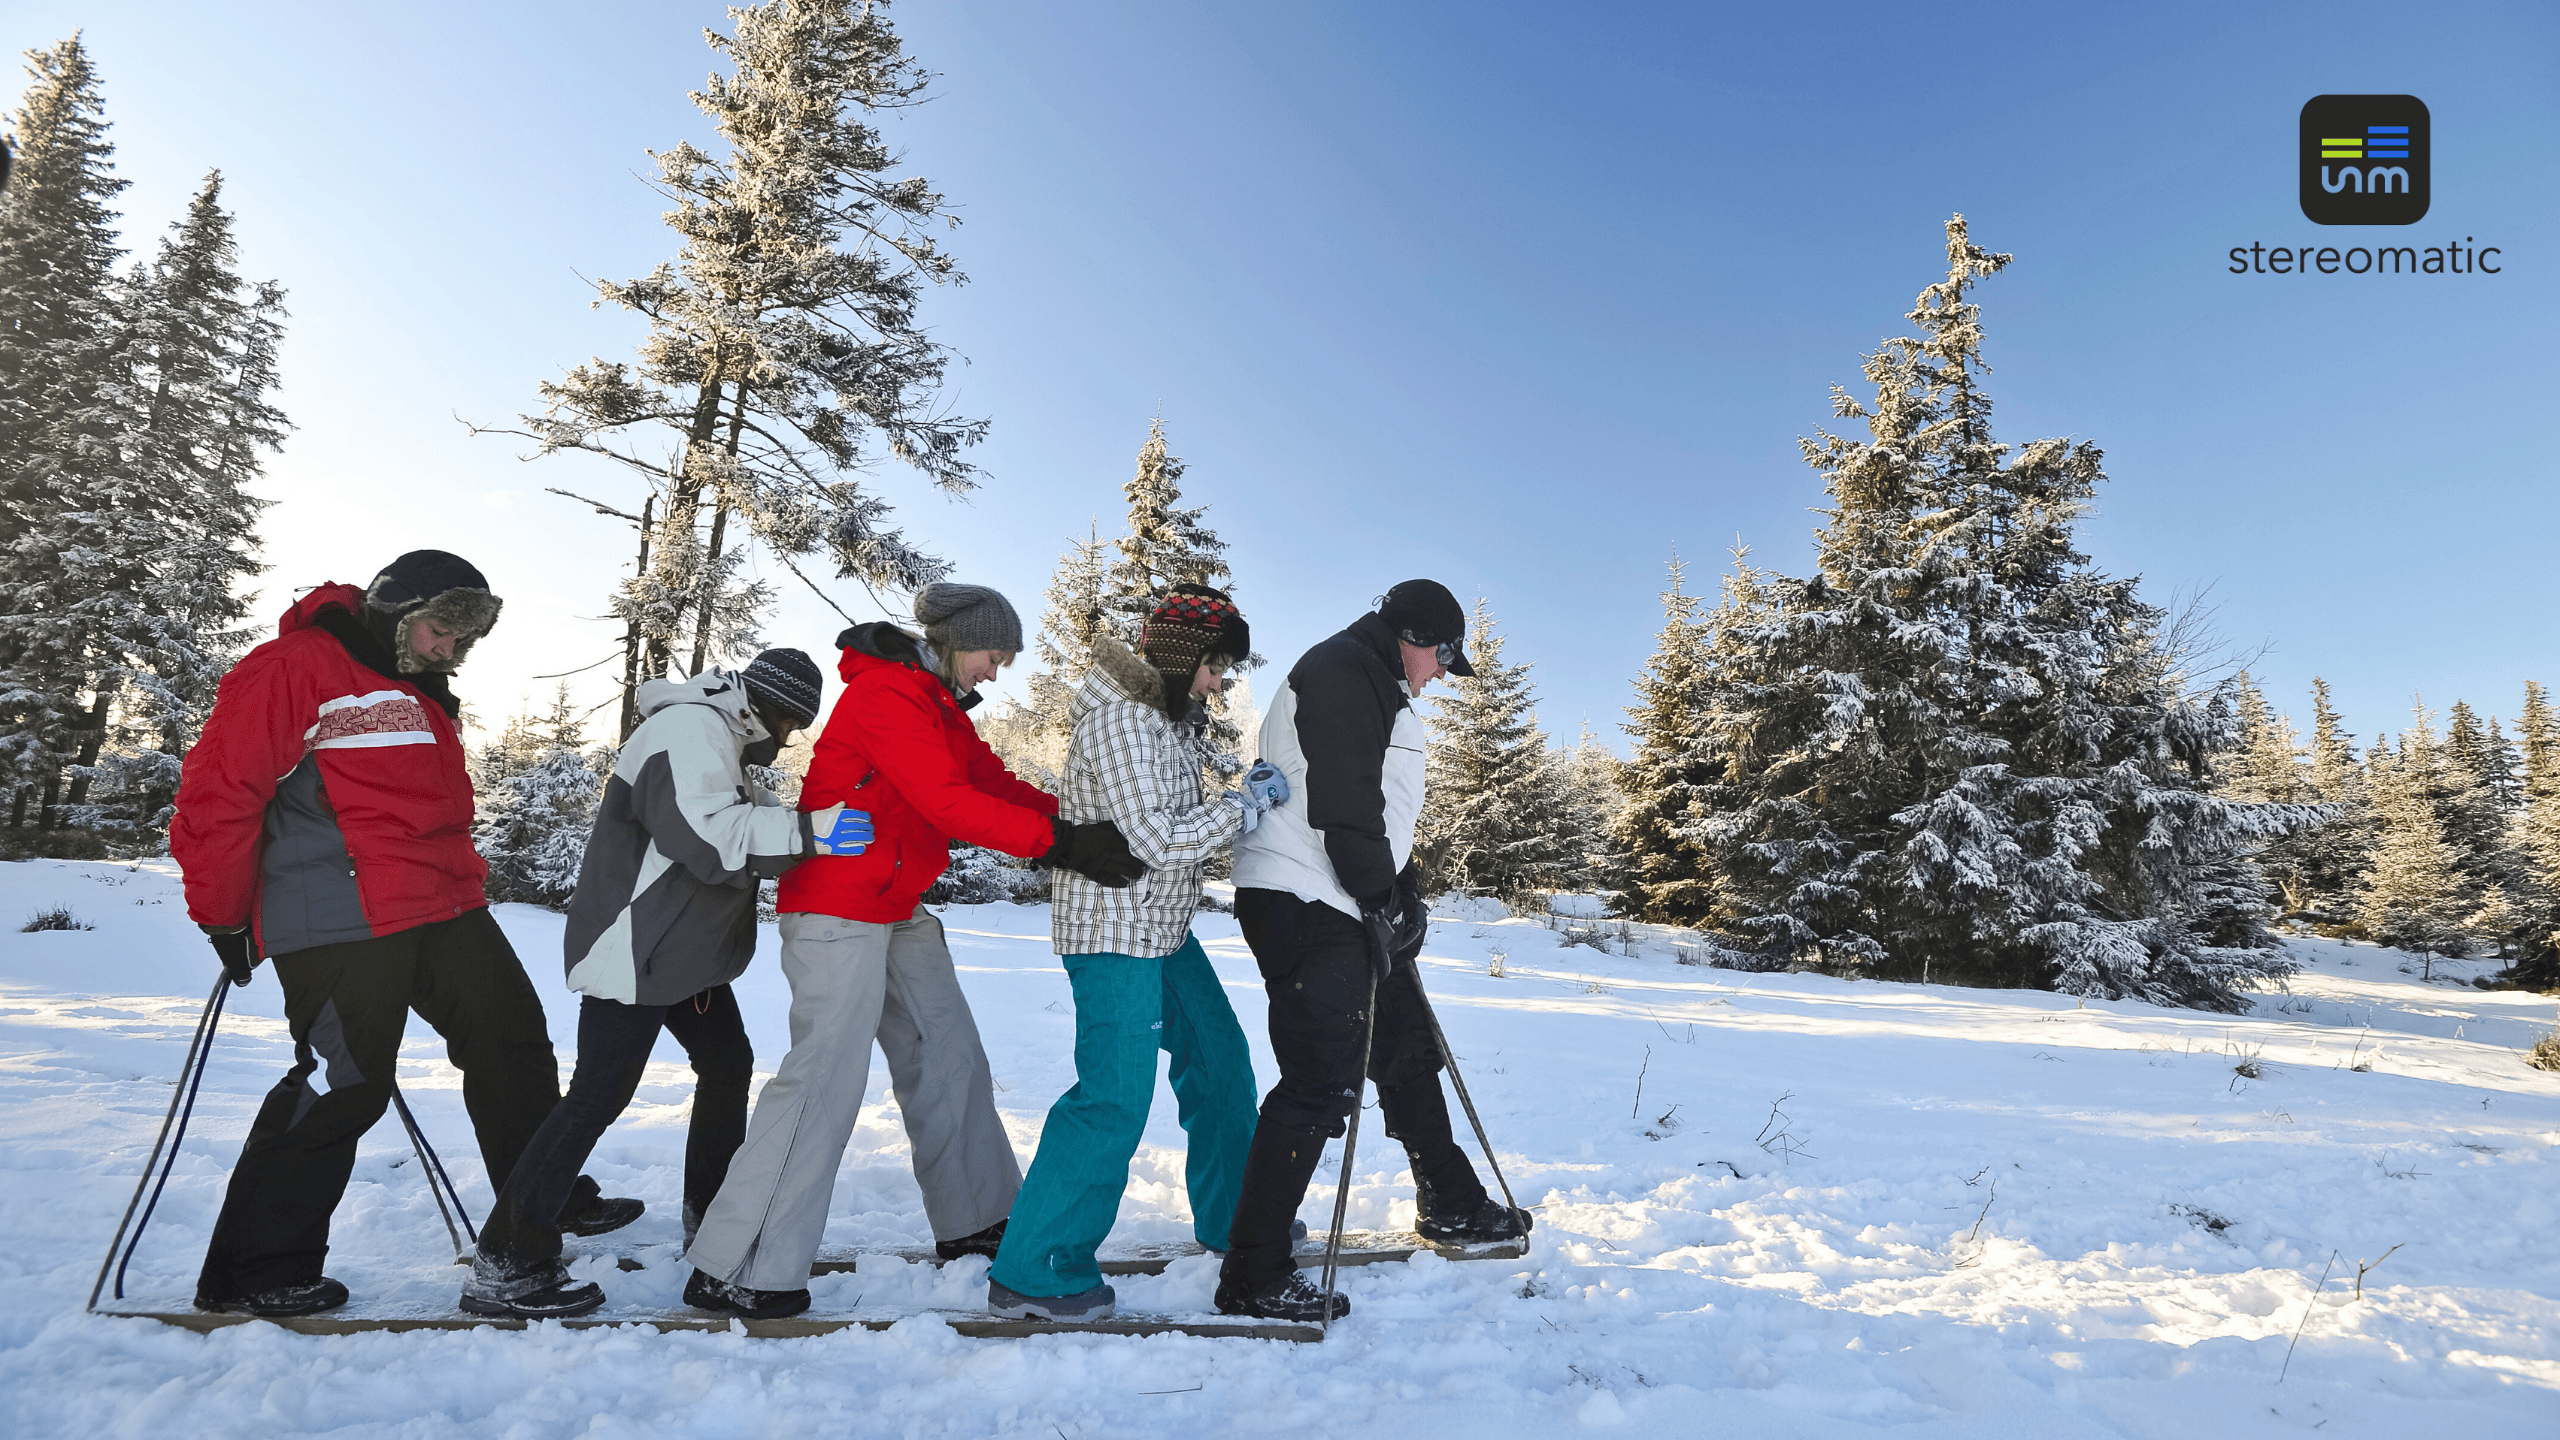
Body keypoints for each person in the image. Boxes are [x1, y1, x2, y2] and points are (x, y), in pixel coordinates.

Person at [171, 550, 640, 1317]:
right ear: (394, 611)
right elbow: (219, 793)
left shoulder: (417, 687)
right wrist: (221, 911)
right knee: (347, 1084)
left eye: (462, 639)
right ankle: (260, 1269)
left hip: (441, 904)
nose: (450, 650)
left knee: (512, 1042)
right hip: (339, 912)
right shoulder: (293, 668)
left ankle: (540, 1205)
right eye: (440, 631)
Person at [683, 583, 1146, 1319]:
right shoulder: (886, 697)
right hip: (837, 906)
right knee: (823, 1081)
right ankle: (737, 1261)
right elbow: (945, 801)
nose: (996, 672)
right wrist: (1064, 847)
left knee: (949, 1053)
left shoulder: (933, 704)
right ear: (961, 639)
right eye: (995, 654)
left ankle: (978, 1220)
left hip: (896, 906)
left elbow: (988, 781)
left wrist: (1085, 820)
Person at [459, 648, 877, 1318]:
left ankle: (709, 1216)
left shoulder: (725, 742)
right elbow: (708, 836)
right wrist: (814, 831)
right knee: (596, 1097)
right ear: (767, 705)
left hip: (684, 959)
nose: (791, 738)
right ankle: (506, 1260)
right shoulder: (689, 731)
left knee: (726, 1062)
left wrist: (811, 826)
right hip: (637, 949)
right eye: (792, 722)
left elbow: (749, 818)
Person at [1215, 579, 1534, 1323]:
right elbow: (1344, 801)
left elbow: (1383, 812)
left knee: (1405, 1046)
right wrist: (1381, 897)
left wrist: (1403, 894)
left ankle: (1450, 1202)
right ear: (1419, 639)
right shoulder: (1340, 671)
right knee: (1320, 1082)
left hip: (1344, 896)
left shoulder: (1373, 679)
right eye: (1441, 662)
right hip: (1305, 898)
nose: (1438, 679)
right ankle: (1253, 1273)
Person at [986, 586, 1279, 1322]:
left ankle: (1233, 1220)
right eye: (1215, 667)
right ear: (1184, 658)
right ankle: (1036, 1268)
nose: (1219, 683)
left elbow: (1169, 825)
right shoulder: (1124, 721)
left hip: (1162, 930)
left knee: (1220, 1063)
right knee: (1112, 1096)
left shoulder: (1163, 720)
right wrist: (1244, 802)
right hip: (1113, 933)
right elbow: (1155, 841)